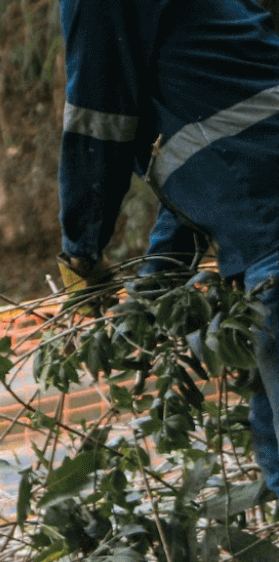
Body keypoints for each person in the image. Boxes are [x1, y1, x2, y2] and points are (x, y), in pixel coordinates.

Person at [58, 0, 279, 494]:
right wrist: (157, 281)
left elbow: (96, 128)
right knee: (271, 442)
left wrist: (80, 253)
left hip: (269, 235)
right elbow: (209, 153)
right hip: (262, 231)